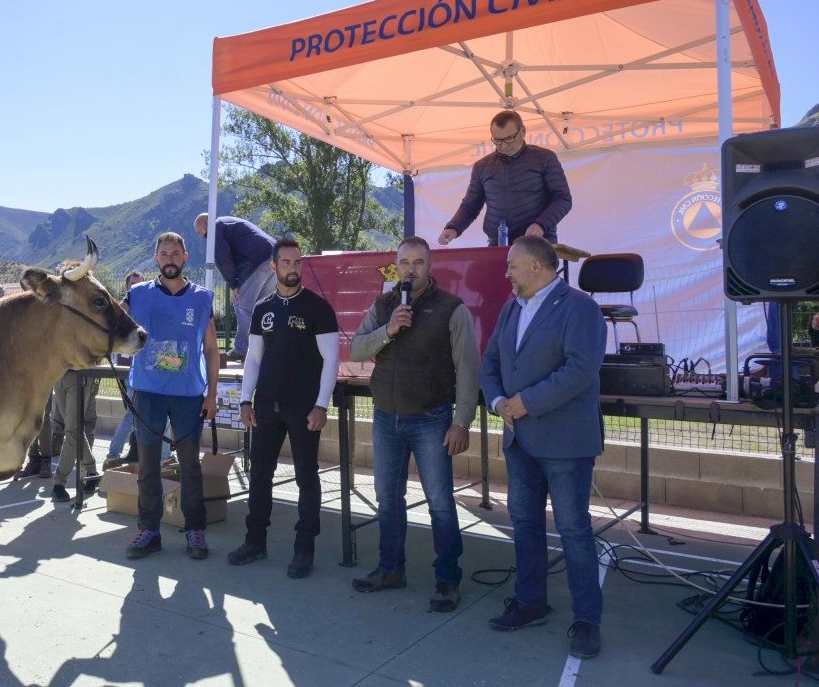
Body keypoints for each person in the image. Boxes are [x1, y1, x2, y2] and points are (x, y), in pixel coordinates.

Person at [481, 235, 607, 659]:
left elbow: (581, 370)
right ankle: (531, 601)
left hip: (565, 442)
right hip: (521, 440)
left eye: (512, 266)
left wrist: (526, 403)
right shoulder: (510, 308)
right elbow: (491, 363)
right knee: (526, 524)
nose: (507, 273)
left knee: (573, 530)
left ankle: (587, 619)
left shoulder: (580, 307)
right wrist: (499, 401)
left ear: (536, 266)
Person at [348, 237, 481, 611]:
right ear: (396, 266)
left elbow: (468, 370)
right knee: (388, 499)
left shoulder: (451, 310)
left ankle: (447, 579)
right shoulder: (384, 306)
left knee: (440, 502)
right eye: (404, 262)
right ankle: (391, 568)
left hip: (431, 419)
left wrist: (462, 422)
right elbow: (357, 348)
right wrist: (388, 330)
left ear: (430, 265)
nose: (411, 269)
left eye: (418, 262)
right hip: (386, 418)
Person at [226, 238, 339, 578]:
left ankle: (304, 549)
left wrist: (321, 405)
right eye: (286, 262)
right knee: (260, 475)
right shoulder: (262, 309)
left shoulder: (318, 308)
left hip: (304, 409)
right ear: (274, 267)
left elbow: (331, 359)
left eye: (297, 262)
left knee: (307, 477)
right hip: (266, 408)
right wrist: (246, 400)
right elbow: (254, 360)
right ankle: (255, 541)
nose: (293, 267)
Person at [121, 232, 219, 560]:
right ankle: (148, 530)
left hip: (189, 396)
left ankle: (195, 529)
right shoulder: (136, 295)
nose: (170, 258)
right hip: (148, 393)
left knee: (190, 465)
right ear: (156, 258)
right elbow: (110, 326)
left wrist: (212, 394)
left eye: (175, 253)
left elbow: (210, 349)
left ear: (186, 257)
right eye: (164, 253)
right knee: (148, 465)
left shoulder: (203, 298)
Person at [438, 110, 572, 247]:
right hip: (498, 244)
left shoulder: (544, 158)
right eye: (497, 140)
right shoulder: (482, 167)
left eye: (508, 139)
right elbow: (470, 205)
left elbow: (563, 198)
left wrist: (541, 224)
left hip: (538, 243)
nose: (503, 145)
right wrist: (453, 227)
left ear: (523, 132)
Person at [48, 258, 103, 502]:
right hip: (59, 373)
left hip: (81, 375)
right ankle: (92, 471)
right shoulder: (55, 308)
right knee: (71, 428)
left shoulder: (91, 308)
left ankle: (59, 482)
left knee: (71, 428)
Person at [104, 271, 166, 470]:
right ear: (127, 288)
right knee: (133, 415)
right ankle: (113, 456)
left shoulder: (146, 305)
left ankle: (160, 456)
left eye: (139, 284)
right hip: (135, 372)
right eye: (132, 284)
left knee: (149, 412)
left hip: (152, 369)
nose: (136, 287)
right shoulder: (125, 311)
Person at [193, 213, 275, 359]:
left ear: (205, 224)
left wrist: (233, 284)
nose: (202, 237)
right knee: (263, 309)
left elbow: (223, 258)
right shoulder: (228, 223)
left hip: (255, 262)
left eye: (201, 232)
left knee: (242, 306)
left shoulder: (216, 228)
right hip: (274, 260)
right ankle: (265, 349)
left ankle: (241, 350)